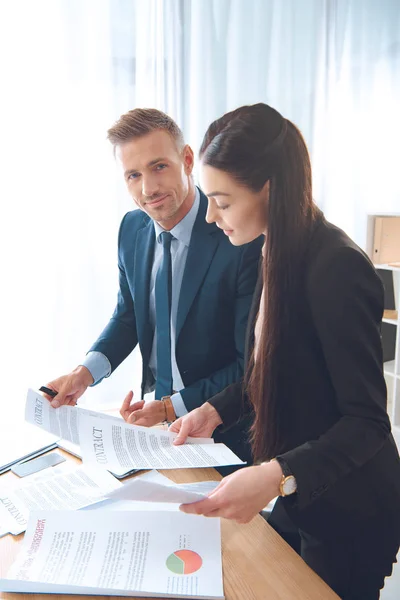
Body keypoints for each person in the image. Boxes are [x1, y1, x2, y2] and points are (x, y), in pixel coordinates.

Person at [170, 103, 400, 599]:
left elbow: (368, 423)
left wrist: (276, 476)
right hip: (303, 496)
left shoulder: (337, 267)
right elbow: (270, 367)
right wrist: (214, 409)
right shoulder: (272, 247)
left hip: (352, 509)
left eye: (222, 201)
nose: (211, 216)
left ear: (269, 189)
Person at [43, 108, 262, 469]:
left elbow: (248, 364)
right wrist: (83, 375)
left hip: (227, 430)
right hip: (158, 425)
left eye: (159, 166)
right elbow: (128, 315)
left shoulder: (237, 235)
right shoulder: (132, 229)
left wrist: (169, 406)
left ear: (187, 160)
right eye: (133, 175)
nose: (148, 189)